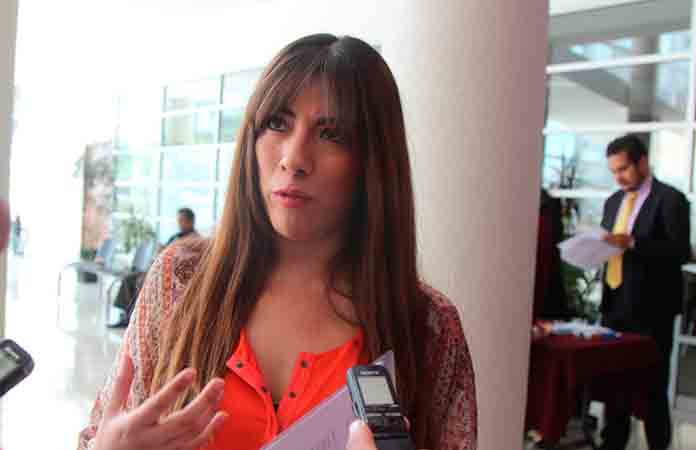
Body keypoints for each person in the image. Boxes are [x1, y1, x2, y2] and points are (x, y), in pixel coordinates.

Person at [78, 34, 477, 450]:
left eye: (331, 134)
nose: (294, 158)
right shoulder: (179, 279)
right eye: (277, 124)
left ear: (373, 161)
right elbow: (97, 433)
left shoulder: (429, 328)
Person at [599, 134, 691, 450]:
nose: (618, 177)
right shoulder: (613, 202)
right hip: (615, 305)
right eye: (613, 171)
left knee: (652, 387)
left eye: (623, 169)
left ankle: (657, 445)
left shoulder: (671, 199)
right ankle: (612, 443)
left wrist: (634, 243)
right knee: (614, 386)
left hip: (652, 311)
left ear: (642, 162)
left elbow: (680, 251)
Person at [108, 207, 199, 328]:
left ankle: (138, 318)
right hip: (159, 268)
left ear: (190, 221)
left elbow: (185, 260)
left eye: (182, 220)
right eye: (178, 220)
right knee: (128, 279)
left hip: (171, 273)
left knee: (140, 282)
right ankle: (127, 316)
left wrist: (166, 252)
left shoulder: (195, 239)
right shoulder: (177, 236)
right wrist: (162, 251)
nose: (179, 223)